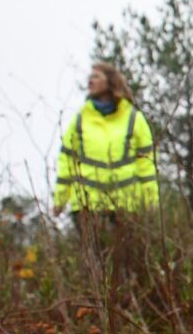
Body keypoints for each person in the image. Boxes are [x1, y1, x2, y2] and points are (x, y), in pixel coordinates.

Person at [54, 62, 158, 223]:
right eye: (89, 77)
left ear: (110, 81)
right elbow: (66, 161)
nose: (90, 81)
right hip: (87, 206)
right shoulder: (81, 119)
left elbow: (146, 164)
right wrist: (59, 200)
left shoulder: (133, 118)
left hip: (125, 206)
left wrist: (151, 200)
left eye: (96, 76)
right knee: (92, 249)